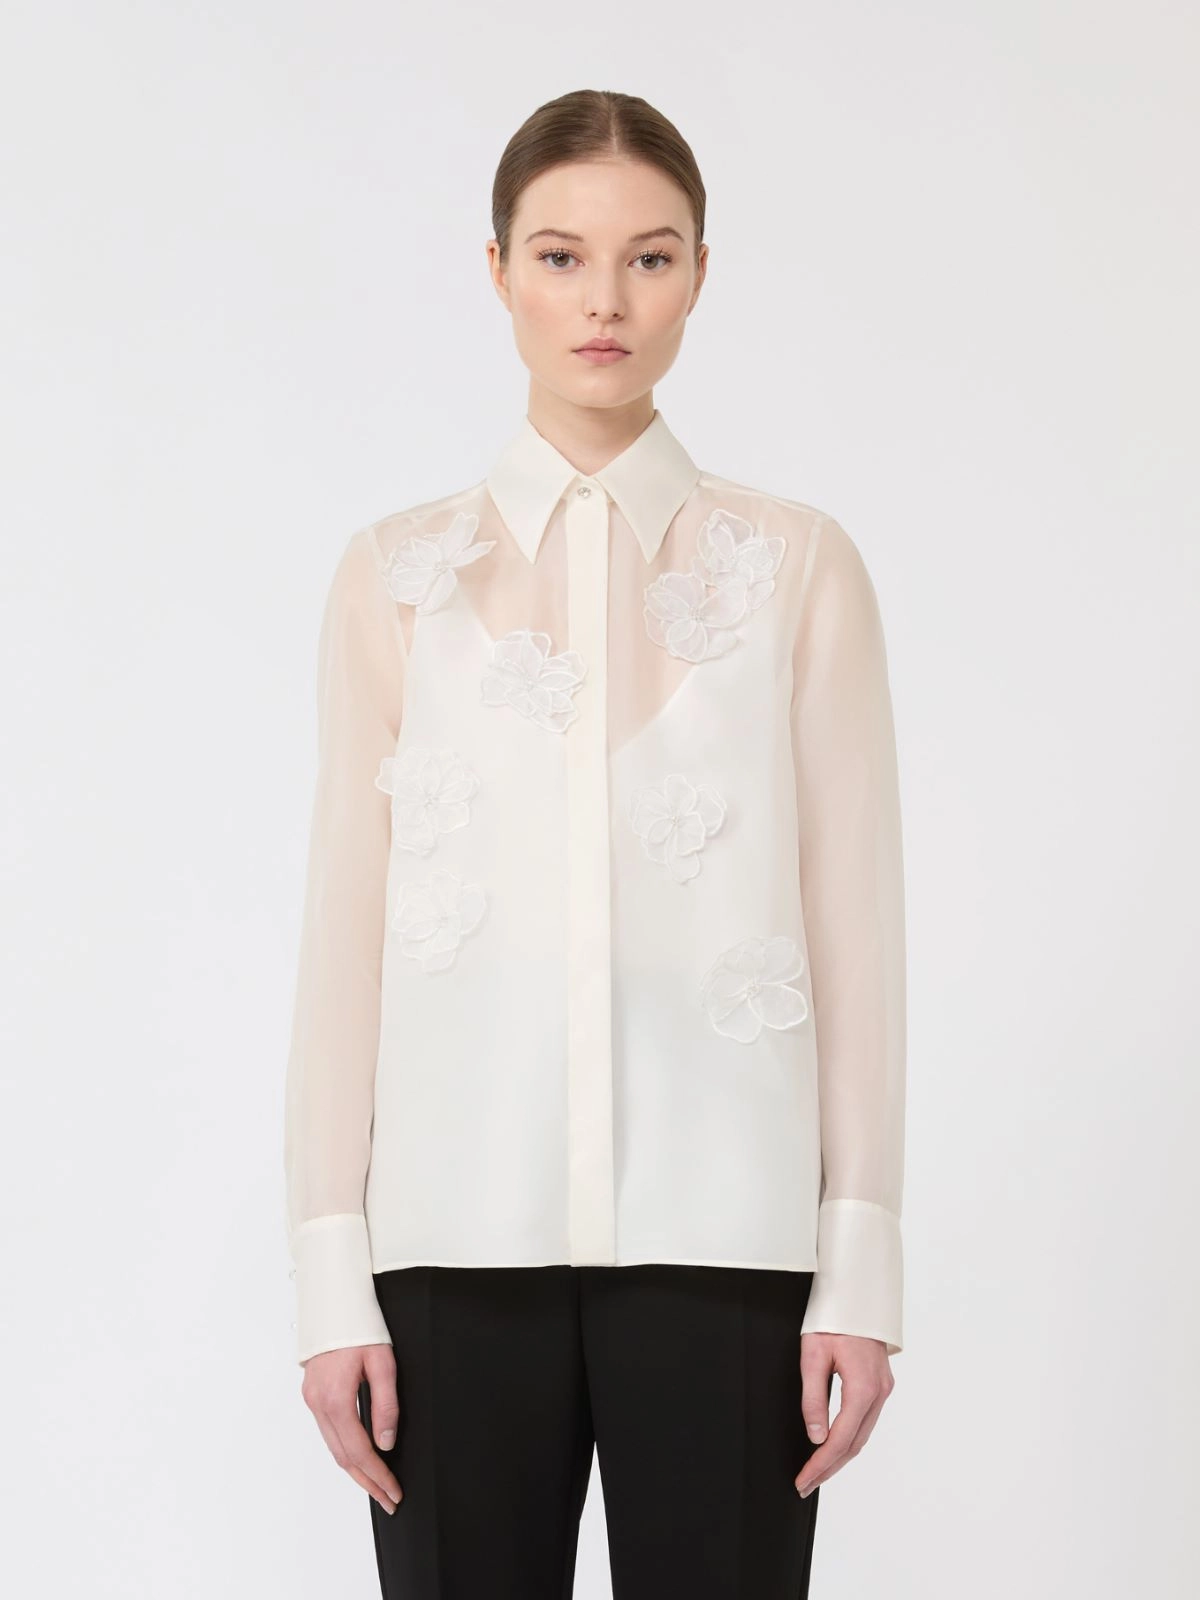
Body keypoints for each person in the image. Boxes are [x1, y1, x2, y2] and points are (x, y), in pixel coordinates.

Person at [283, 87, 907, 1600]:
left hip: (731, 1242)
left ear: (700, 273)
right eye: (562, 257)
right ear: (498, 269)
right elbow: (342, 942)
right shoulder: (396, 580)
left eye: (651, 257)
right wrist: (328, 1278)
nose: (605, 302)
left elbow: (857, 934)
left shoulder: (798, 569)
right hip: (446, 1245)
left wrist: (860, 1265)